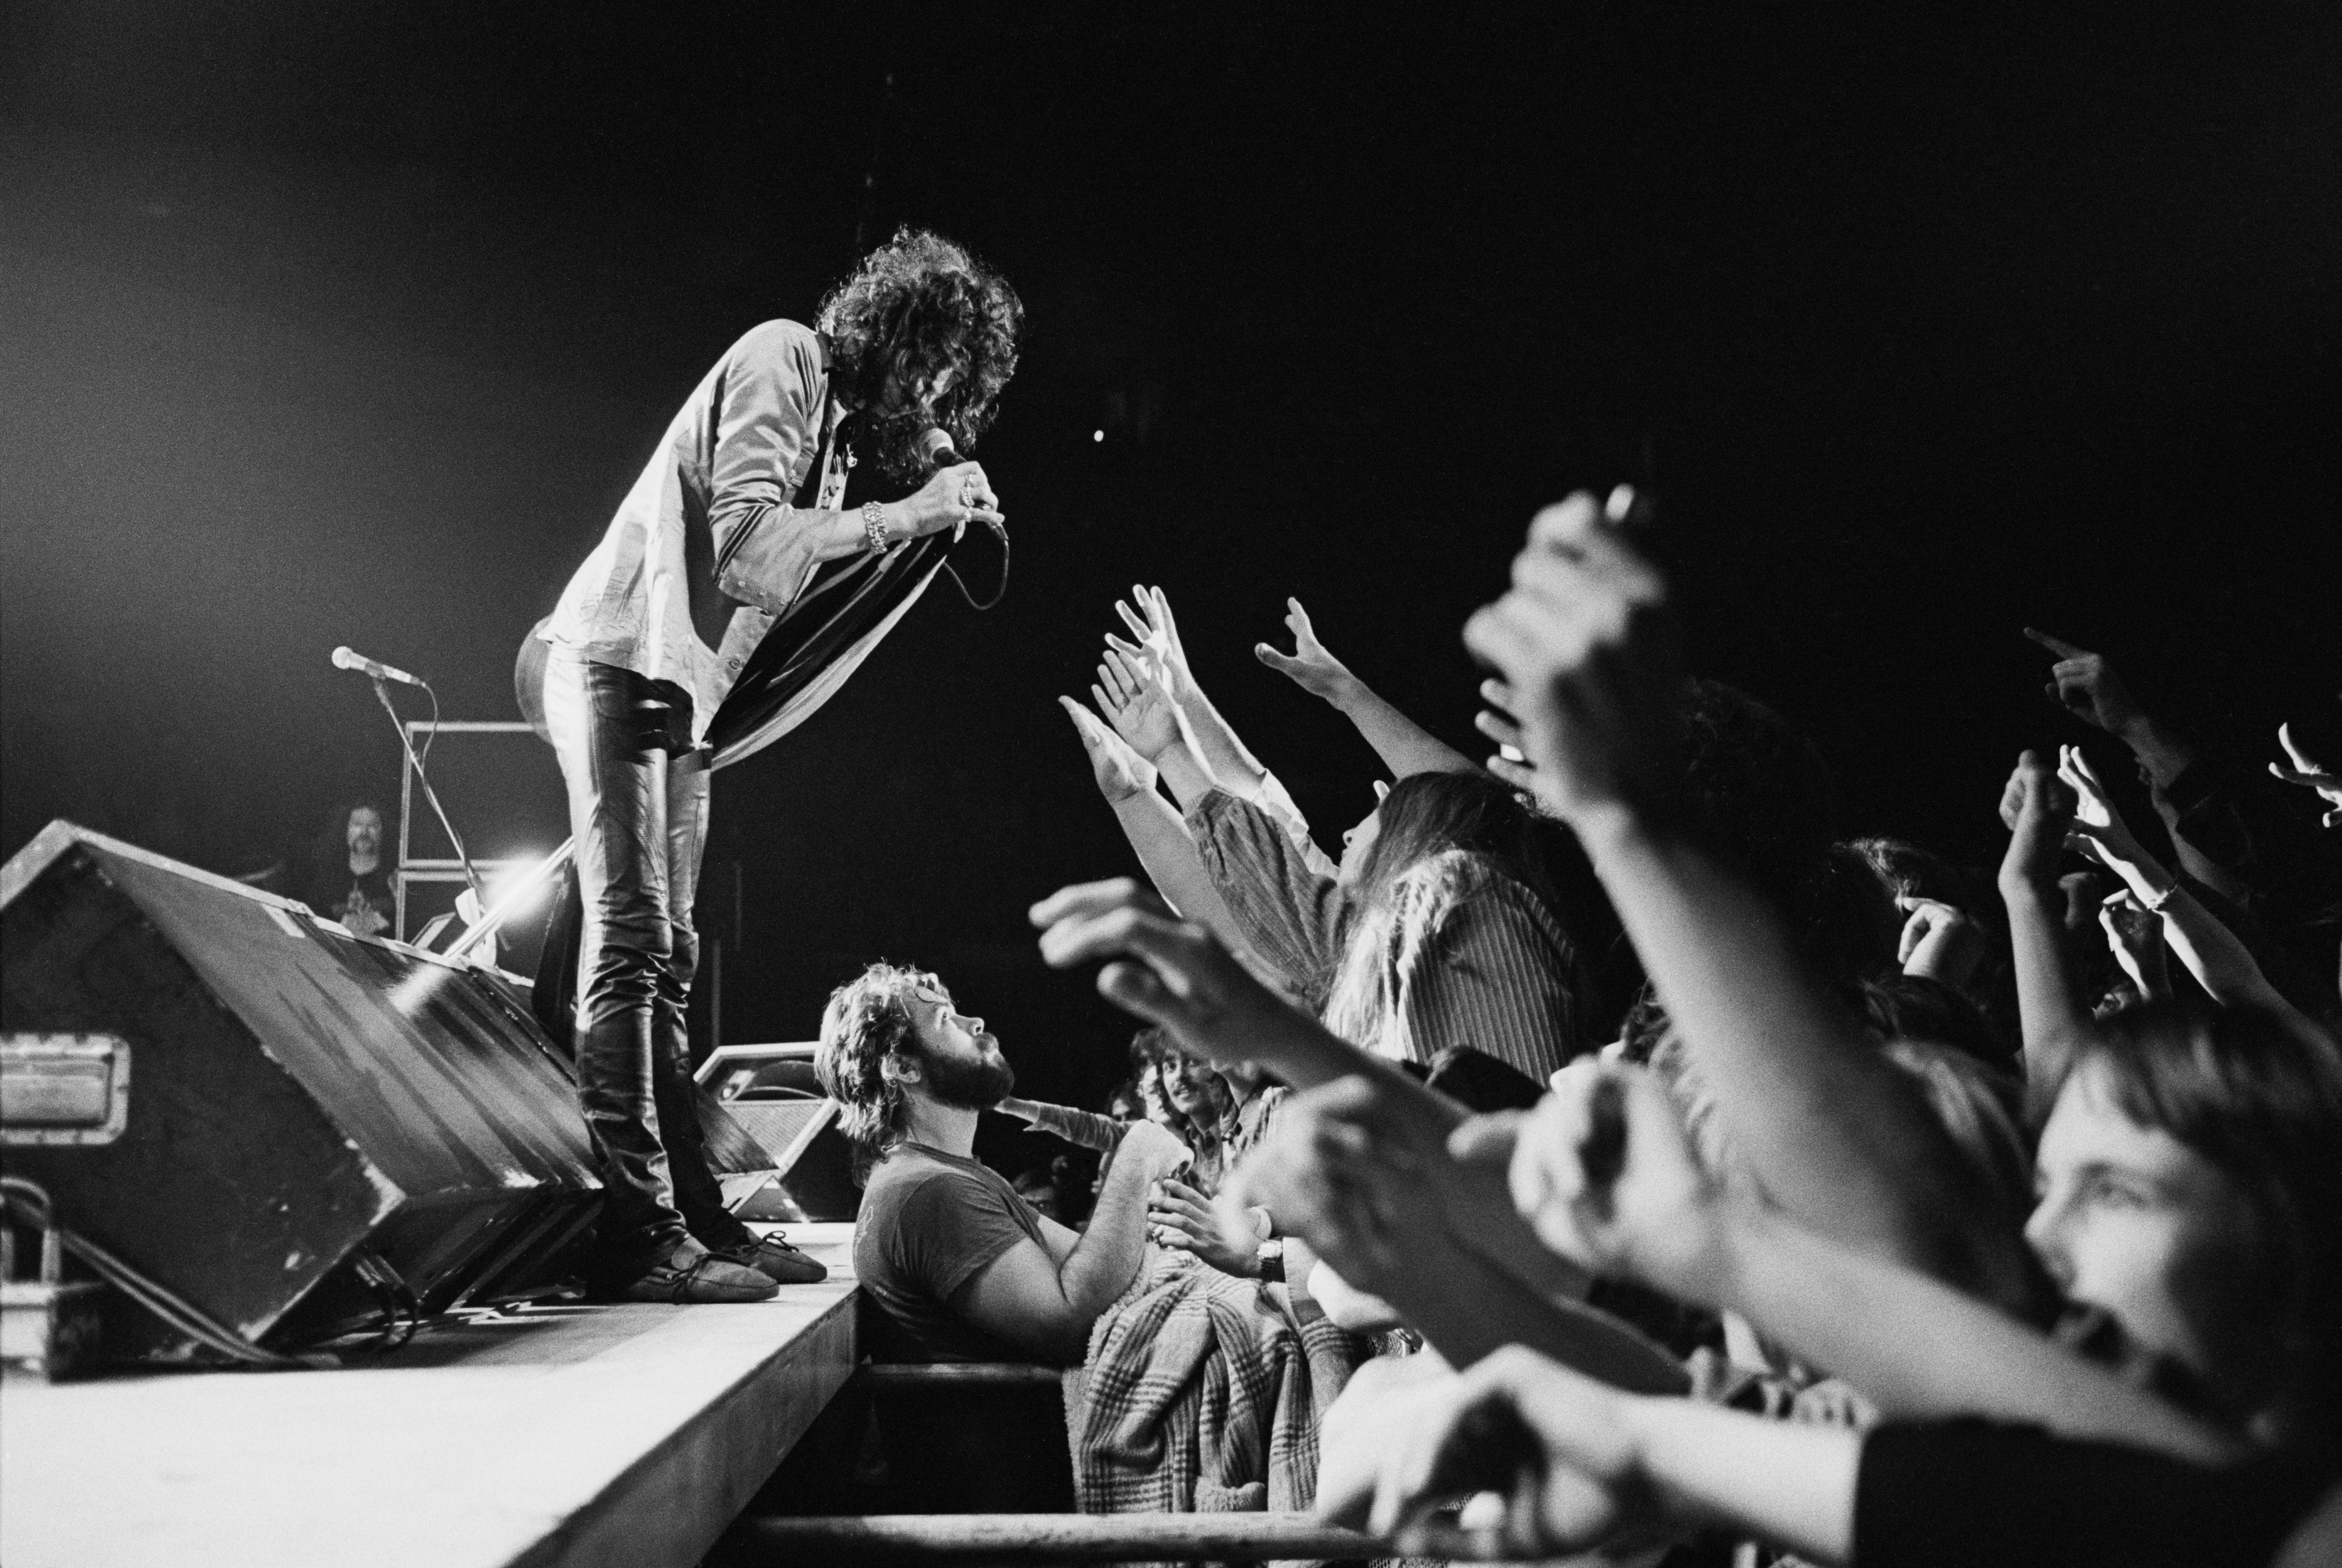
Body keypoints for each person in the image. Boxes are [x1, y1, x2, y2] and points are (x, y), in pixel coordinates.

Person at [524, 228, 1023, 1303]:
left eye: (956, 386)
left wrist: (910, 523)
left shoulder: (838, 444)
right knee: (630, 943)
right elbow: (748, 548)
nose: (938, 399)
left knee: (673, 954)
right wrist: (906, 515)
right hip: (613, 662)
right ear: (895, 332)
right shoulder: (784, 358)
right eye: (935, 365)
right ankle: (635, 1235)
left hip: (674, 697)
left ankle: (697, 1221)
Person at [814, 962, 1191, 1365]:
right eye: (945, 1020)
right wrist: (1135, 1159)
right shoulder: (930, 1191)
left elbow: (1101, 1267)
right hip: (1032, 1425)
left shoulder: (952, 1173)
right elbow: (1067, 1326)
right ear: (904, 1068)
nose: (975, 1022)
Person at [304, 800, 396, 938]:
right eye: (358, 825)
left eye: (372, 826)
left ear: (383, 832)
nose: (364, 832)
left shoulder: (395, 876)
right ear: (346, 830)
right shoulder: (327, 875)